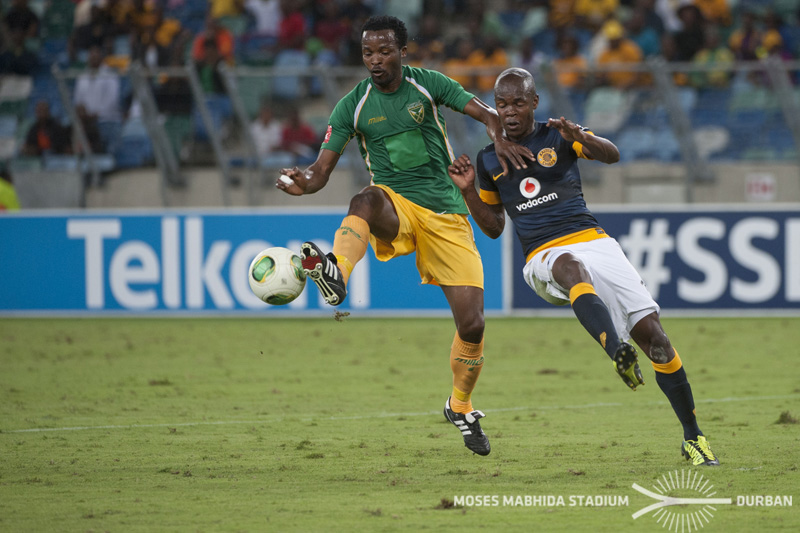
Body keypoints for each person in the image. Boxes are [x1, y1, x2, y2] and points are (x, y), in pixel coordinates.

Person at [276, 16, 532, 456]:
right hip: (396, 204)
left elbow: (488, 115)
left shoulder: (428, 84)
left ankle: (460, 405)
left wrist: (499, 139)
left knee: (473, 325)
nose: (375, 60)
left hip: (447, 210)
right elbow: (319, 172)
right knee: (364, 199)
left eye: (384, 51)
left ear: (402, 52)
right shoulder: (352, 106)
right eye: (368, 53)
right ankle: (336, 273)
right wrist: (303, 182)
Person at [446, 68, 720, 466]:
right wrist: (469, 191)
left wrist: (583, 137)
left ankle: (694, 437)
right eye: (501, 104)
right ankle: (617, 350)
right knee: (569, 265)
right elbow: (493, 227)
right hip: (543, 255)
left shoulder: (559, 134)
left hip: (595, 242)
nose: (509, 112)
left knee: (657, 341)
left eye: (518, 103)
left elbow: (612, 155)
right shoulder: (489, 158)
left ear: (534, 102)